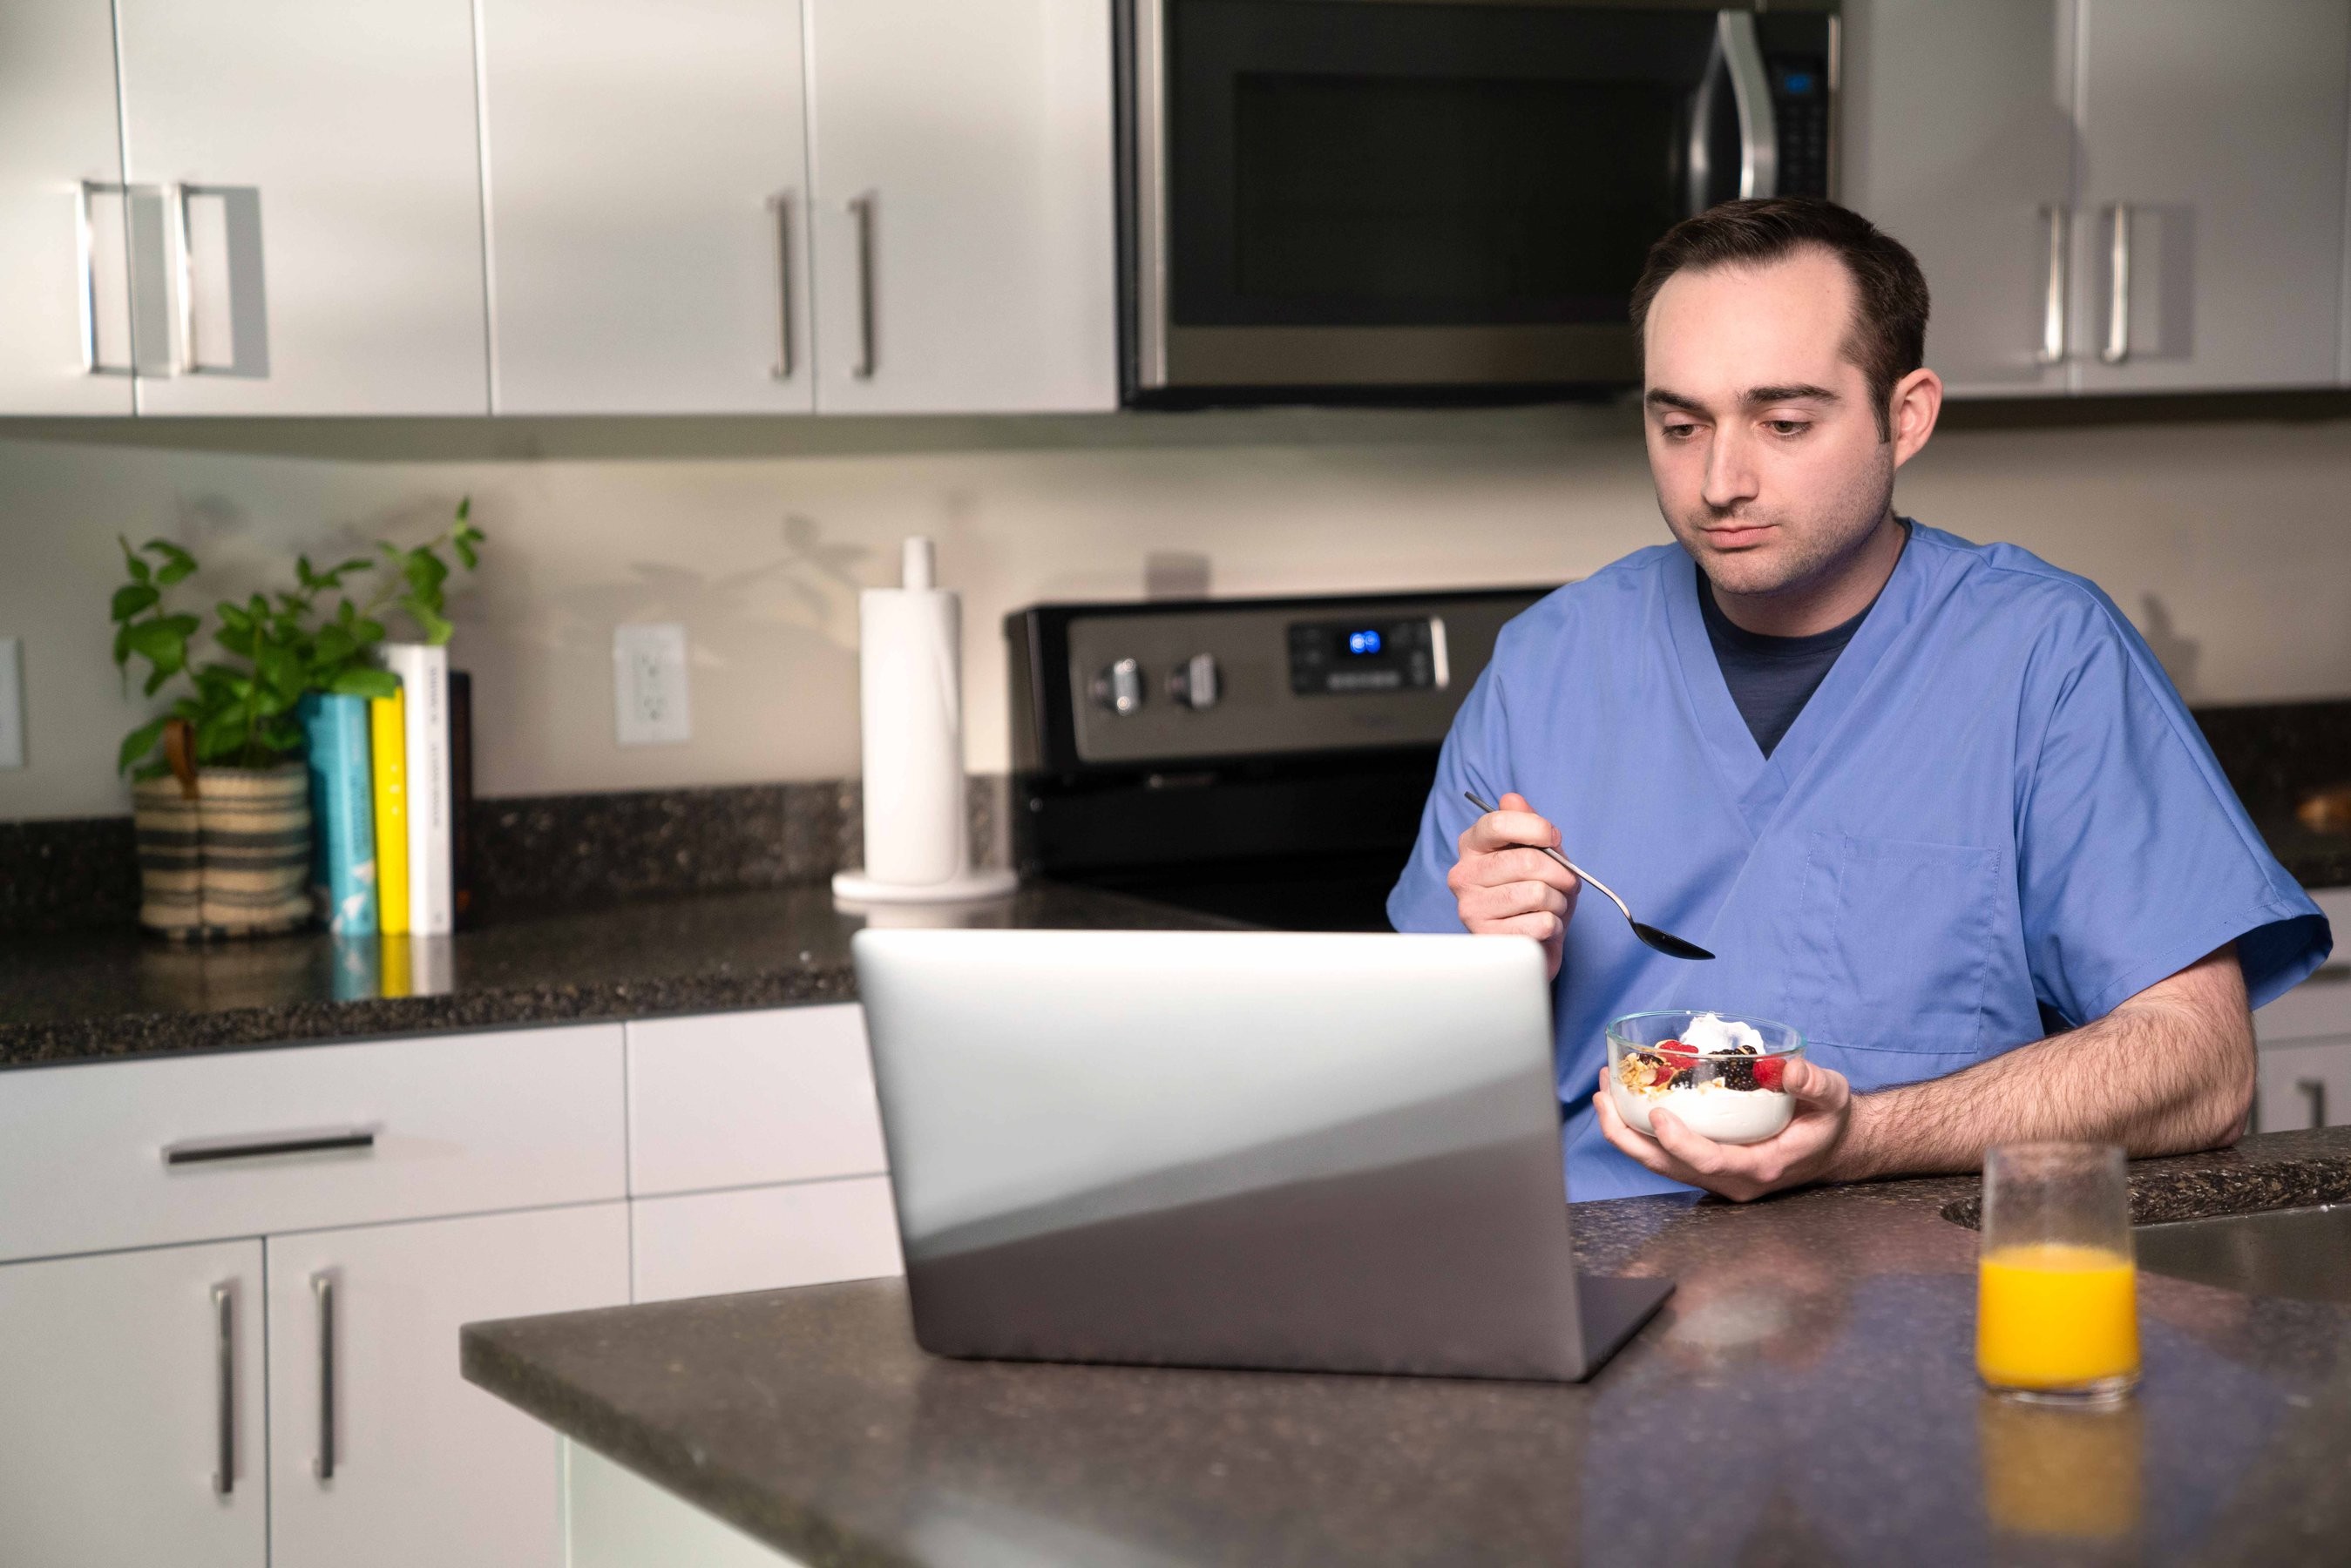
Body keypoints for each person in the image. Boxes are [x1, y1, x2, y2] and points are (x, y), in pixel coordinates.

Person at [1386, 198, 2329, 1203]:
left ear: (1905, 415)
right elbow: (1404, 1105)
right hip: (1592, 1274)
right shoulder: (1546, 668)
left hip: (1918, 1292)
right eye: (1679, 424)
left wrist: (1860, 1138)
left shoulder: (2042, 658)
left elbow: (2201, 1067)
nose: (1718, 480)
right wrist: (1492, 982)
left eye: (1783, 422)